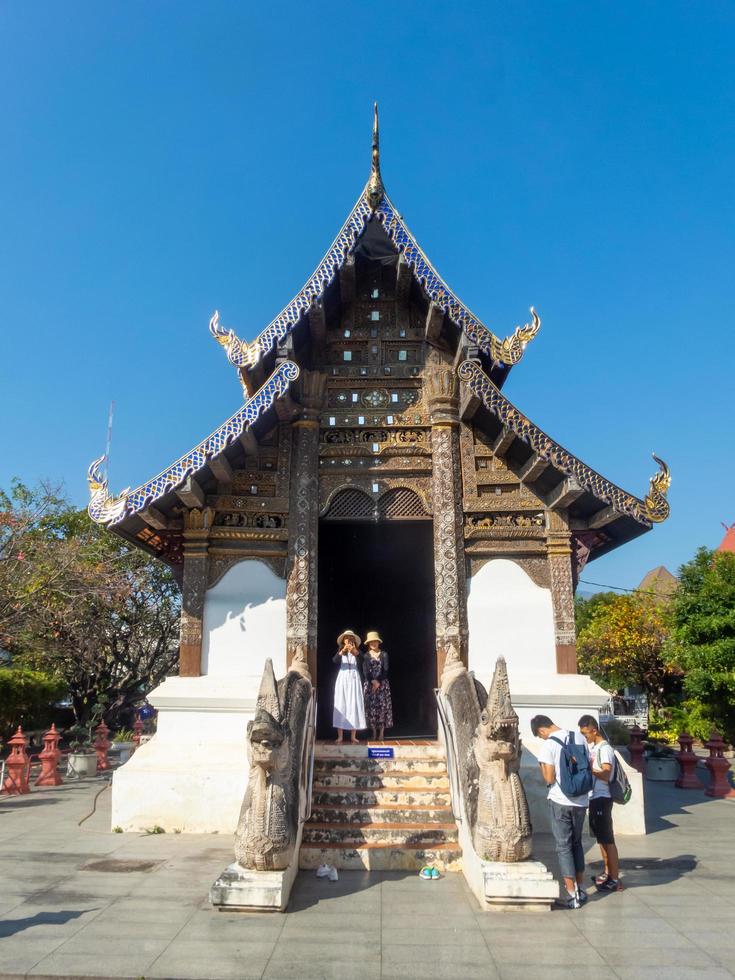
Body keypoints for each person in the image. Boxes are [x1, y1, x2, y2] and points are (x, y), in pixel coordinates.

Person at [530, 714, 590, 909]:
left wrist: (542, 766)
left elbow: (549, 778)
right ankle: (580, 888)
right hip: (580, 800)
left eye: (540, 736)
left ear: (541, 730)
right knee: (577, 843)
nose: (542, 738)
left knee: (563, 846)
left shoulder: (549, 745)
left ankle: (571, 895)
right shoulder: (578, 737)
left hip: (560, 800)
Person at [578, 714, 622, 892]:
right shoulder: (593, 748)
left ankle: (615, 878)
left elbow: (605, 774)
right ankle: (606, 872)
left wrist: (590, 770)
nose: (585, 737)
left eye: (586, 733)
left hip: (603, 797)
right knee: (601, 840)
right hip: (594, 797)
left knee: (608, 840)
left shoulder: (605, 749)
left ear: (594, 730)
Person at [332, 629, 366, 744]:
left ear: (354, 641)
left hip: (354, 680)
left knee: (354, 705)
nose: (349, 640)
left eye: (351, 638)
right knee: (341, 704)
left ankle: (353, 736)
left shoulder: (357, 652)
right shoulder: (341, 651)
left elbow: (364, 660)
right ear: (343, 640)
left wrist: (355, 651)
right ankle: (340, 736)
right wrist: (343, 651)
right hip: (343, 680)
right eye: (347, 638)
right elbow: (334, 661)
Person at [362, 630, 393, 742]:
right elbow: (365, 671)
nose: (373, 644)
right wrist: (372, 682)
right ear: (368, 644)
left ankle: (381, 733)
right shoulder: (366, 655)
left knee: (382, 708)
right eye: (371, 642)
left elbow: (386, 669)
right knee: (371, 708)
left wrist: (378, 682)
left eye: (375, 642)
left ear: (378, 642)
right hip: (370, 685)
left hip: (382, 684)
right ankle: (374, 732)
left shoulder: (384, 654)